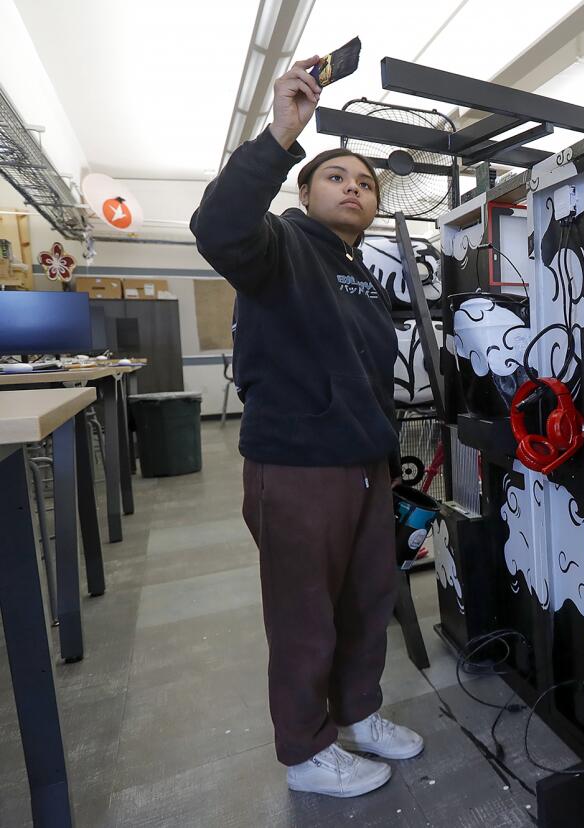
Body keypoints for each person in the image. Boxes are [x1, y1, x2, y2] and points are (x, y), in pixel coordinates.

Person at [191, 55, 421, 799]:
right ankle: (305, 749)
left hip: (363, 464)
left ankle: (357, 715)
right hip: (297, 469)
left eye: (365, 183)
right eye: (336, 177)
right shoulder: (278, 246)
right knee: (305, 617)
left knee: (366, 602)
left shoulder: (364, 274)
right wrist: (281, 133)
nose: (353, 188)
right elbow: (218, 227)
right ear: (303, 189)